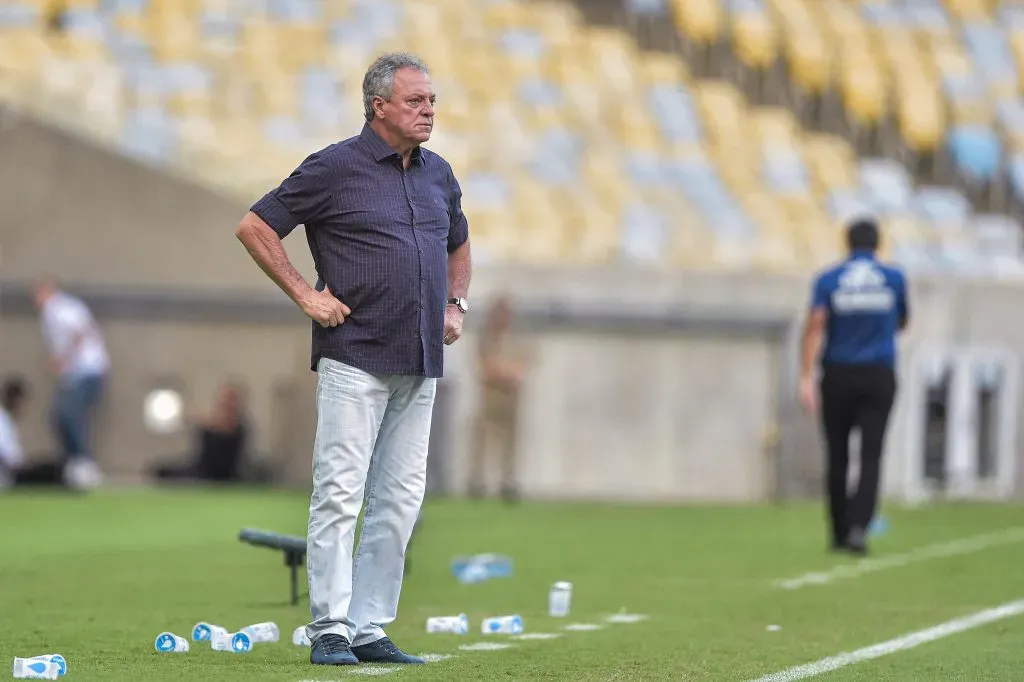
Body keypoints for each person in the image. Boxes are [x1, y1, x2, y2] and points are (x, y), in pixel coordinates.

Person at [234, 52, 472, 667]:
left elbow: (459, 243)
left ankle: (369, 626)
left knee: (399, 500)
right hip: (356, 357)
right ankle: (330, 627)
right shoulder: (333, 167)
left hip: (419, 360)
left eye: (432, 101)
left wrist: (455, 304)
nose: (429, 110)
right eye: (417, 101)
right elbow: (257, 226)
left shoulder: (438, 173)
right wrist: (306, 295)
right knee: (340, 493)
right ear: (379, 107)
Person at [799, 218, 909, 557]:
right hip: (878, 372)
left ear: (847, 243)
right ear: (878, 245)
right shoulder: (893, 279)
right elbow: (903, 320)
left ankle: (839, 529)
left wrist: (806, 374)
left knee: (838, 454)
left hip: (838, 372)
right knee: (872, 453)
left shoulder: (829, 280)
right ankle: (861, 526)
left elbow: (816, 324)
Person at [33, 278, 109, 490]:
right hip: (74, 374)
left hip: (88, 370)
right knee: (60, 415)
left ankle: (85, 465)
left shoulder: (61, 308)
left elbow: (80, 331)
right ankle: (72, 464)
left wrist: (65, 358)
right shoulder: (48, 315)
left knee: (70, 415)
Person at [467, 294, 533, 503]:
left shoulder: (517, 338)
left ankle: (508, 482)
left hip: (512, 399)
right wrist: (505, 374)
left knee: (510, 442)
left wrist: (515, 374)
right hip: (490, 398)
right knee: (483, 440)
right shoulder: (486, 338)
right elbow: (484, 367)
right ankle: (477, 482)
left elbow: (525, 363)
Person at [151, 383, 249, 484]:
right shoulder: (208, 421)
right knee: (161, 470)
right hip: (200, 468)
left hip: (222, 474)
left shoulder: (239, 427)